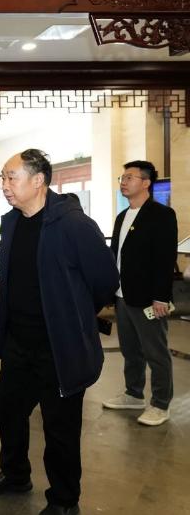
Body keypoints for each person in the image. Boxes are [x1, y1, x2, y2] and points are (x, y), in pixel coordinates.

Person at [0, 149, 118, 515]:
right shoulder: (12, 222)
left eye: (11, 177)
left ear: (38, 180)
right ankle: (15, 475)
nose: (5, 185)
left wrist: (74, 314)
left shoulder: (73, 225)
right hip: (19, 343)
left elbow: (105, 280)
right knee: (8, 411)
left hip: (59, 348)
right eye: (3, 178)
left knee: (60, 428)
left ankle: (65, 501)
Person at [102, 161, 178, 426]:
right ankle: (134, 394)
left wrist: (161, 297)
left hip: (148, 298)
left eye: (130, 177)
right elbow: (116, 256)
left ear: (146, 183)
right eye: (122, 177)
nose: (124, 182)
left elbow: (165, 259)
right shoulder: (122, 216)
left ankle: (161, 404)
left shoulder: (162, 215)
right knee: (130, 350)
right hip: (123, 294)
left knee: (156, 352)